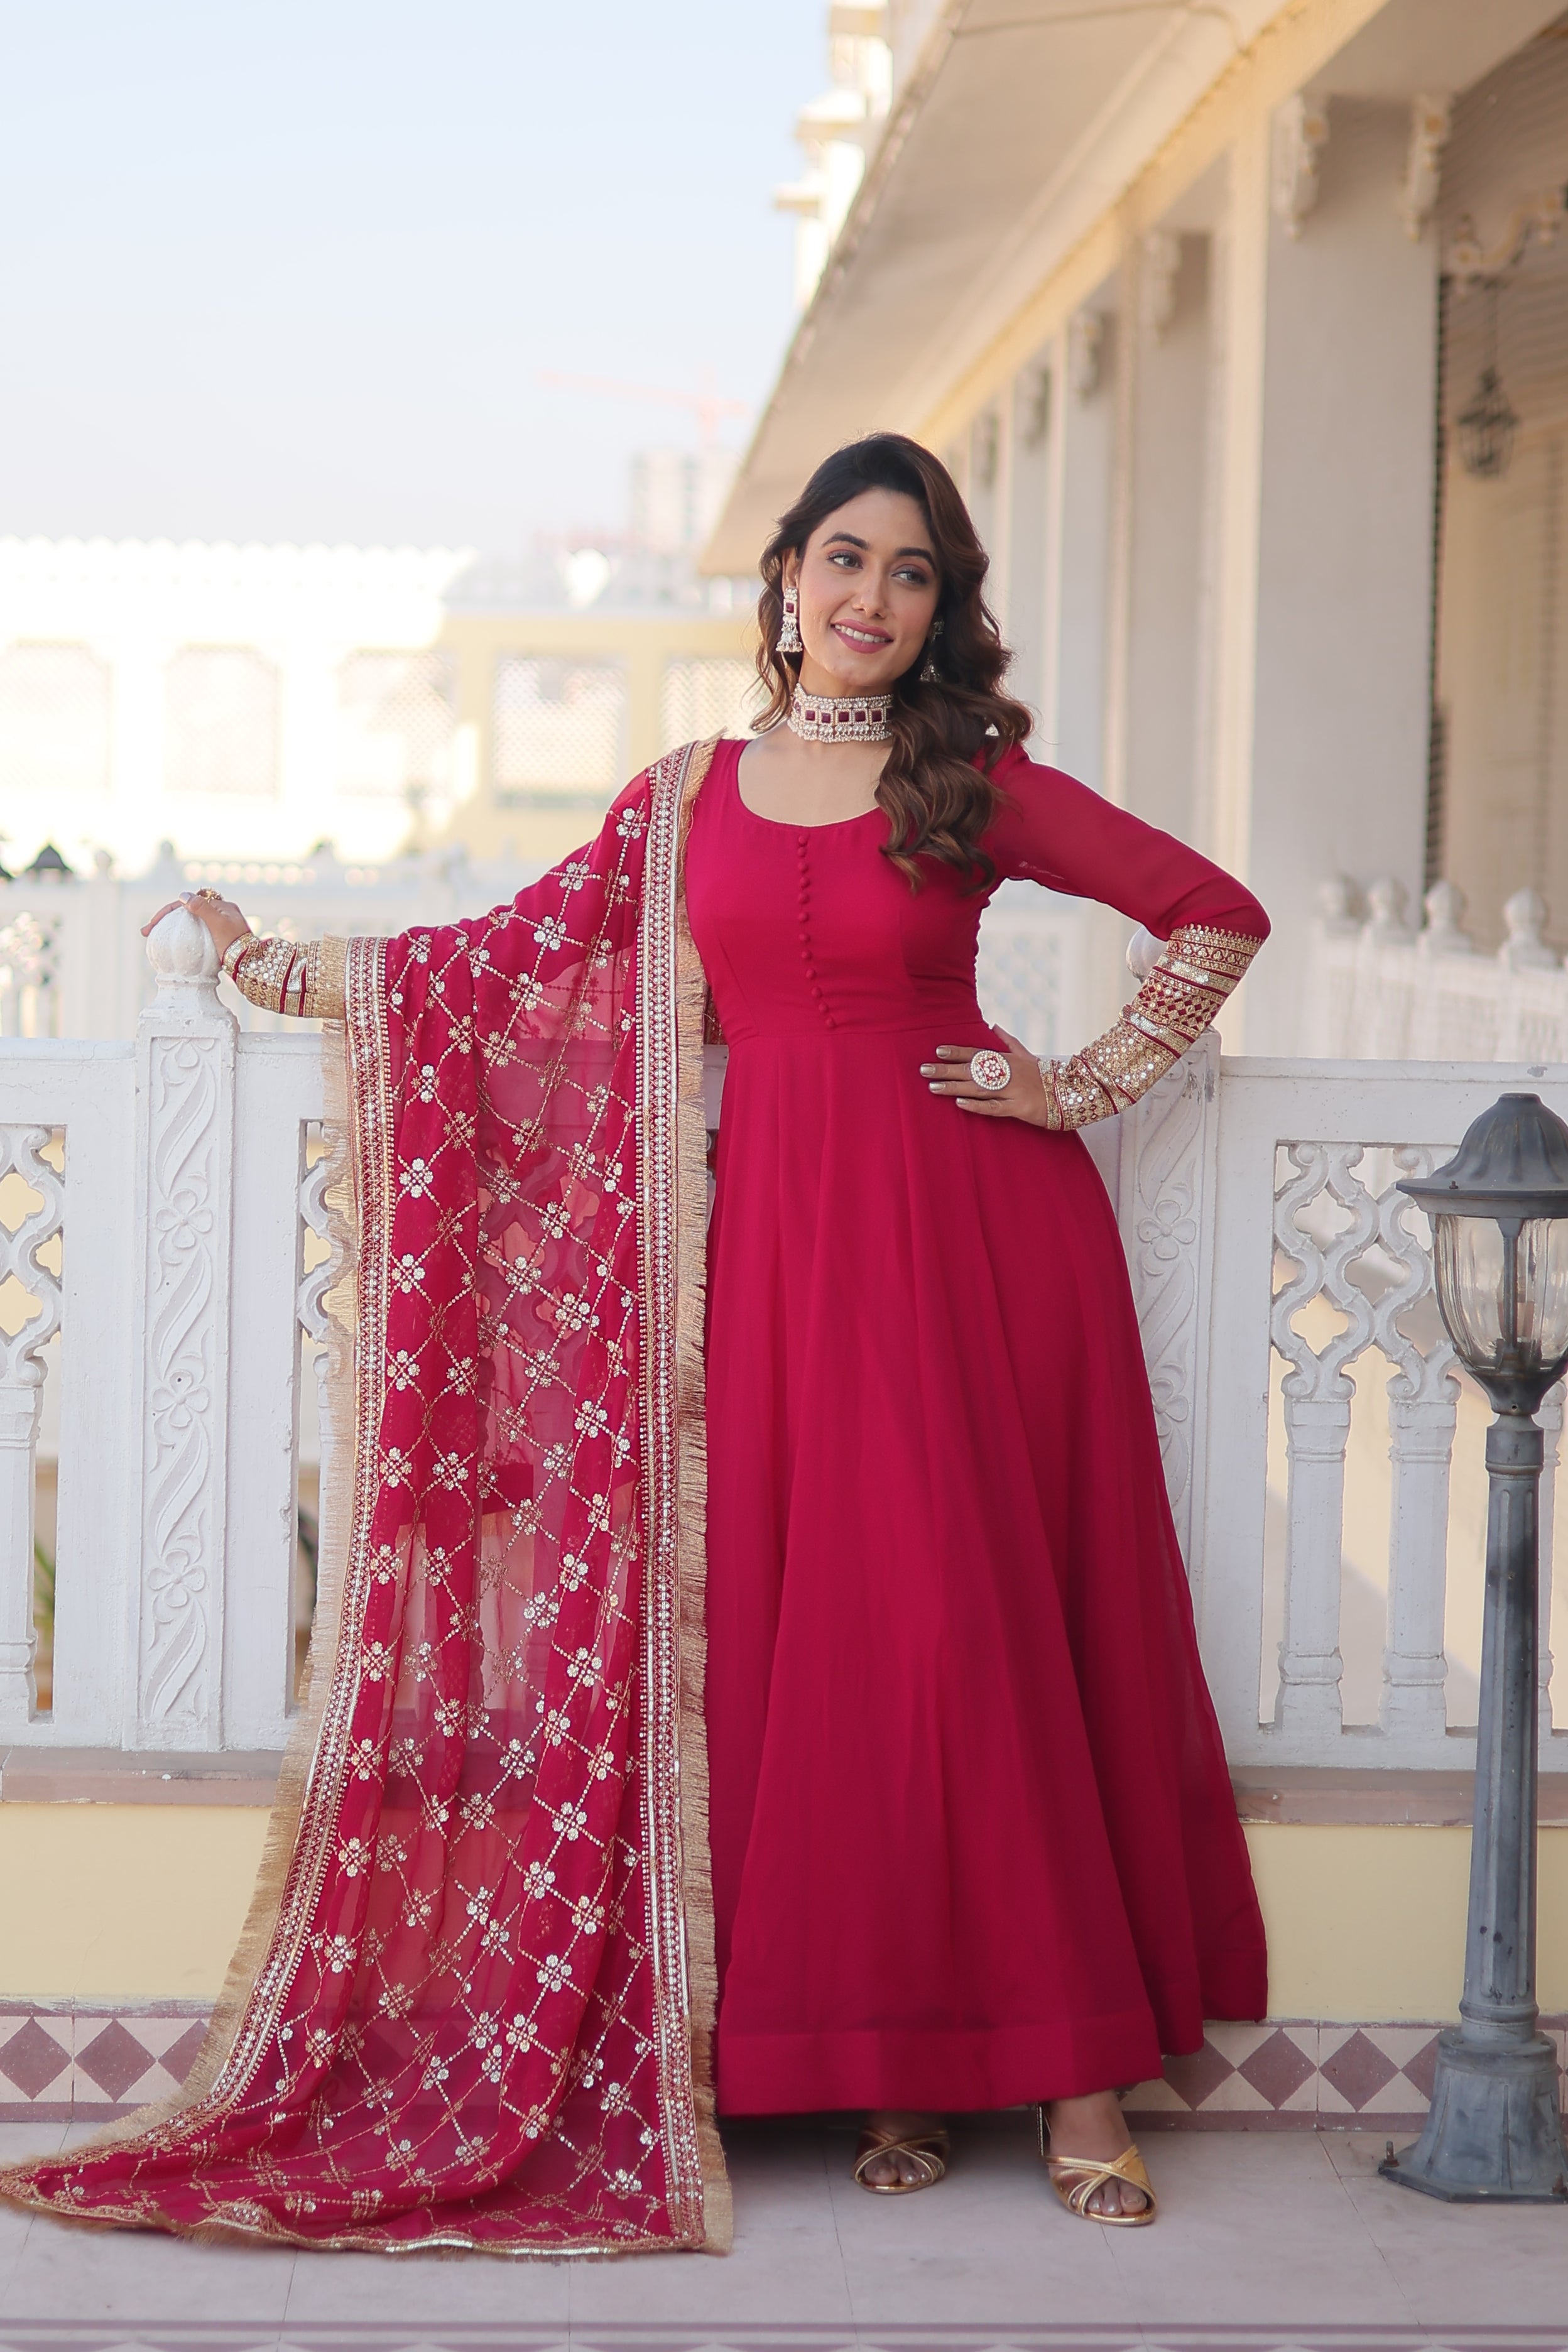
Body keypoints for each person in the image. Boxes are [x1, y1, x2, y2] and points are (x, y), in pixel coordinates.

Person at [0, 434, 1265, 2256]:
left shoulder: (970, 783)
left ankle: (1078, 2079)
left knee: (960, 1625)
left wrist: (1078, 1084)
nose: (871, 598)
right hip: (770, 1261)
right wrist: (266, 966)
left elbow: (1214, 912)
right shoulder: (685, 800)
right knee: (816, 1653)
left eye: (911, 573)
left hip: (965, 1239)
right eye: (845, 558)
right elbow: (505, 960)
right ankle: (891, 2067)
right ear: (786, 577)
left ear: (942, 610)